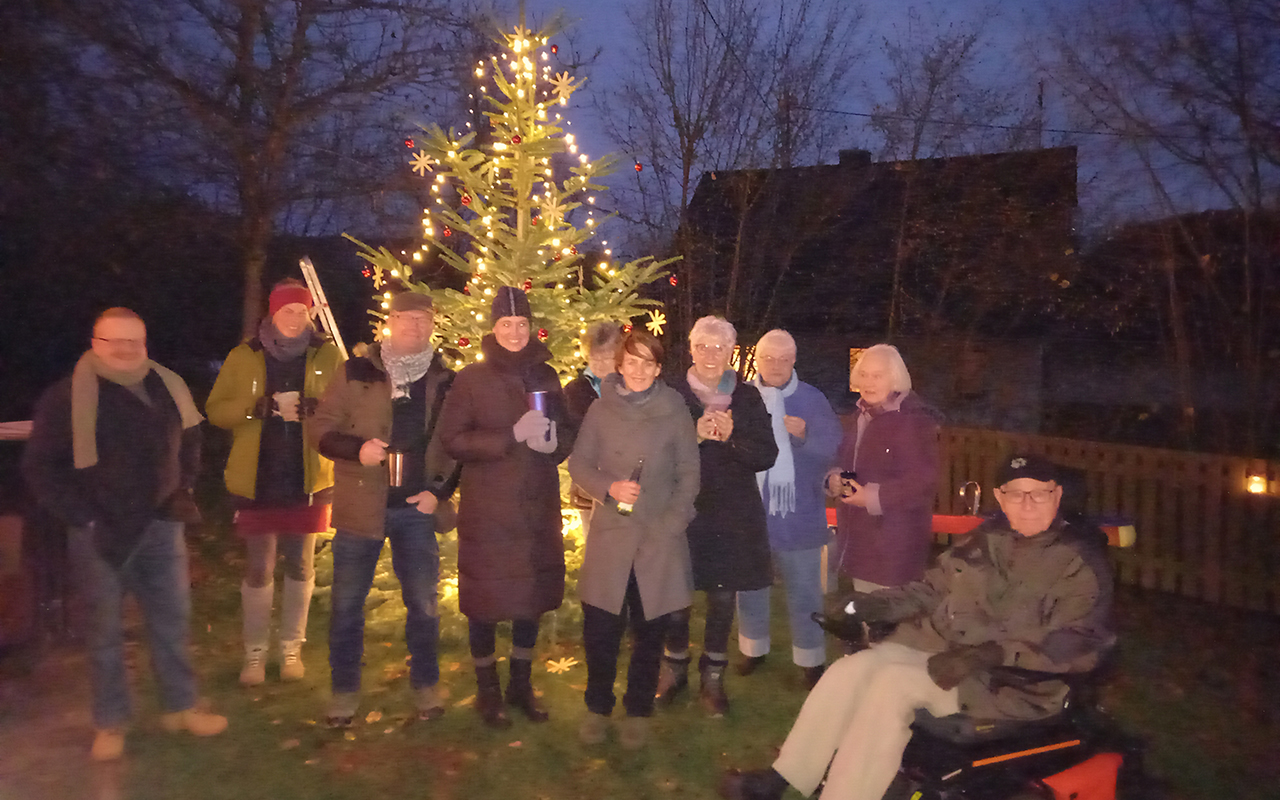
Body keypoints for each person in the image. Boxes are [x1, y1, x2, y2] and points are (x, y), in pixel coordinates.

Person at [718, 454, 1116, 800]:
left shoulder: (1078, 562)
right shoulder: (986, 538)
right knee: (850, 670)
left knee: (891, 687)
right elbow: (929, 590)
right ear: (999, 497)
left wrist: (992, 653)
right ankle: (781, 780)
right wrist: (871, 604)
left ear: (1058, 495)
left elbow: (1077, 642)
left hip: (1009, 681)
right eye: (1015, 493)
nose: (1027, 504)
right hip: (945, 654)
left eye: (1039, 493)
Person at [22, 307, 227, 761]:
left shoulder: (167, 386)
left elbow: (191, 439)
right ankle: (110, 723)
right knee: (105, 632)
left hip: (161, 523)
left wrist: (183, 486)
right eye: (114, 340)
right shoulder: (66, 396)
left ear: (145, 343)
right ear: (95, 344)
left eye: (133, 340)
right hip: (101, 530)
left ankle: (181, 707)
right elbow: (40, 467)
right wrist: (83, 516)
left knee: (172, 622)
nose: (125, 349)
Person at [308, 291, 460, 727]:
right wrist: (358, 450)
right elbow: (319, 428)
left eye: (424, 320)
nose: (416, 327)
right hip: (361, 505)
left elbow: (456, 444)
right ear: (390, 321)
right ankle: (344, 691)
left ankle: (426, 684)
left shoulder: (445, 378)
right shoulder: (356, 371)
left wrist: (438, 490)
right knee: (346, 606)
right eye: (408, 319)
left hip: (416, 508)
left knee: (424, 605)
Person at [436, 286, 574, 728]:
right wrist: (509, 437)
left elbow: (566, 431)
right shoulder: (471, 379)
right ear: (493, 328)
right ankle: (488, 692)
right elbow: (453, 439)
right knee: (484, 599)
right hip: (489, 510)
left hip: (536, 507)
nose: (515, 332)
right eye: (506, 324)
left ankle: (520, 684)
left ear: (531, 327)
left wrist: (554, 443)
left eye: (521, 324)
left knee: (529, 598)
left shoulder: (547, 376)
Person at [206, 279, 343, 686]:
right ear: (272, 313)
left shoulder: (326, 355)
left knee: (300, 564)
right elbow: (215, 410)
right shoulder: (244, 356)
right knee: (259, 566)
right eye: (288, 311)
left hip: (308, 476)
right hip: (258, 477)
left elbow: (345, 408)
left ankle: (291, 649)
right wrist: (256, 408)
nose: (295, 319)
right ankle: (255, 653)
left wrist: (319, 411)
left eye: (302, 312)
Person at [568, 329, 700, 749]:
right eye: (631, 362)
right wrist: (610, 488)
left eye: (648, 363)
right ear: (619, 366)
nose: (638, 370)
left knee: (650, 631)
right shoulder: (600, 409)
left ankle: (639, 709)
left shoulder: (675, 409)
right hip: (611, 534)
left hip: (657, 536)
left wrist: (671, 524)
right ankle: (597, 706)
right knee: (601, 628)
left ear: (658, 369)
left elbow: (689, 474)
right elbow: (579, 464)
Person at [659, 315, 777, 716]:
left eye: (720, 348)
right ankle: (673, 667)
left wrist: (731, 438)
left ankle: (713, 677)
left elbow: (766, 455)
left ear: (732, 352)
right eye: (703, 347)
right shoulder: (671, 392)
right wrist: (692, 435)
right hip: (681, 509)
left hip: (731, 512)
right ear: (691, 349)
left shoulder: (747, 398)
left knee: (723, 596)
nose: (711, 355)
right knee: (676, 597)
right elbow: (654, 451)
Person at [735, 330, 841, 689]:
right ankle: (753, 648)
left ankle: (810, 657)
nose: (776, 365)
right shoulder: (742, 397)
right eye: (769, 358)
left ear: (794, 361)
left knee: (805, 590)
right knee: (749, 586)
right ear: (757, 359)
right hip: (751, 510)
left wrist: (805, 436)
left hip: (800, 512)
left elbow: (831, 449)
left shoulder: (811, 399)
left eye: (784, 359)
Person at [828, 344, 941, 592]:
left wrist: (871, 496)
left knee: (887, 623)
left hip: (893, 548)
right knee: (869, 620)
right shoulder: (861, 416)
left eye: (877, 376)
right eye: (864, 375)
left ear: (896, 379)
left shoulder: (912, 421)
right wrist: (834, 479)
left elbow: (922, 482)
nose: (869, 382)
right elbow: (844, 461)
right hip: (861, 543)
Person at [563, 321, 623, 525]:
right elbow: (570, 435)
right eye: (594, 358)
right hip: (590, 487)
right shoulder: (575, 390)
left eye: (607, 358)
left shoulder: (635, 384)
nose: (600, 365)